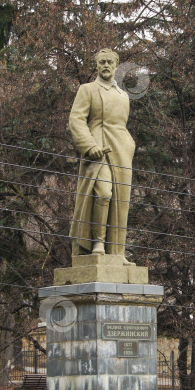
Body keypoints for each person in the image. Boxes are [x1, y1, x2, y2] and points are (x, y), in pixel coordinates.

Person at [68, 48, 136, 264]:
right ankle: (97, 243)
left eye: (110, 62)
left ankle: (117, 252)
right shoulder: (87, 89)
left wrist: (129, 144)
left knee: (120, 201)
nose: (106, 66)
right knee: (104, 193)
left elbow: (121, 125)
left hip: (122, 150)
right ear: (96, 66)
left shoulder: (123, 95)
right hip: (98, 149)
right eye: (102, 62)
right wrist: (89, 145)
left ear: (116, 66)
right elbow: (76, 119)